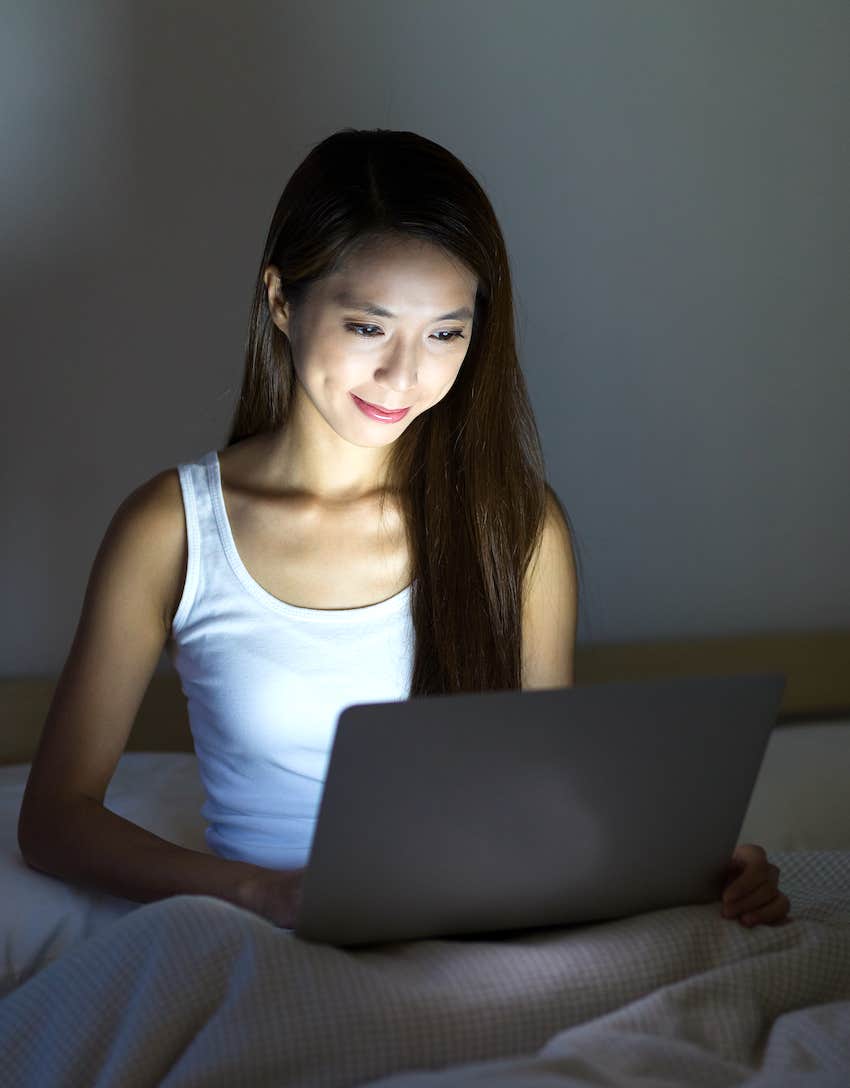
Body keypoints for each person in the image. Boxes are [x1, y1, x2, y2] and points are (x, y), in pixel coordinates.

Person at [17, 128, 790, 933]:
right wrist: (259, 892)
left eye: (445, 333)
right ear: (282, 300)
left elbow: (543, 790)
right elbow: (55, 819)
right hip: (268, 939)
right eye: (367, 327)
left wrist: (690, 865)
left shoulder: (515, 524)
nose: (404, 376)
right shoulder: (173, 528)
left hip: (482, 932)